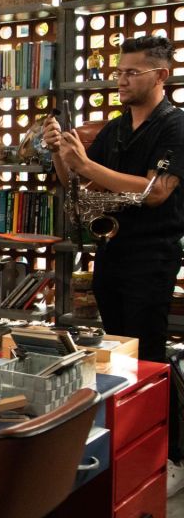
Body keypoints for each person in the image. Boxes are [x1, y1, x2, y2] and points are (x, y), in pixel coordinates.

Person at [43, 35, 184, 363]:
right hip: (111, 253)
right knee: (116, 351)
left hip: (151, 257)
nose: (121, 80)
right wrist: (58, 155)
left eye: (132, 73)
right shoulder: (115, 129)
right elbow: (80, 188)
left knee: (144, 354)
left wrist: (86, 163)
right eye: (119, 72)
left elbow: (156, 191)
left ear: (161, 75)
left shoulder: (176, 126)